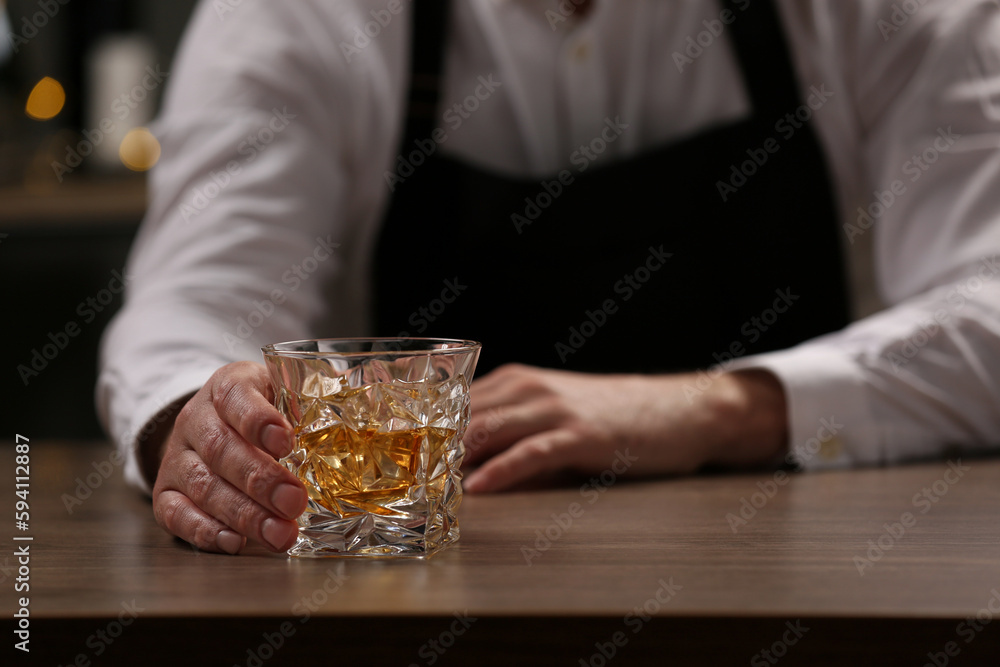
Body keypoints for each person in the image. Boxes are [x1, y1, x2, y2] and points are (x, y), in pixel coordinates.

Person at [98, 0, 1000, 556]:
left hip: (819, 583)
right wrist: (208, 429)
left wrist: (718, 408)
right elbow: (188, 319)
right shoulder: (302, 13)